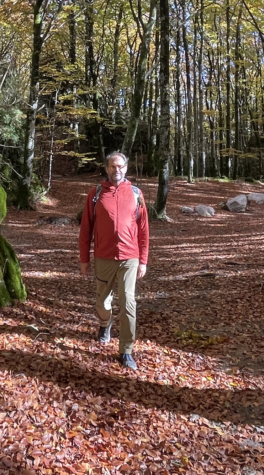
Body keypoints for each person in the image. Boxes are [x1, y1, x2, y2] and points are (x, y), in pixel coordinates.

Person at [78, 151, 149, 370]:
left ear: (126, 168)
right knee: (102, 301)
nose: (116, 170)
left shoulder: (136, 193)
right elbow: (86, 228)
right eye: (112, 166)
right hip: (103, 256)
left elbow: (144, 230)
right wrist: (84, 259)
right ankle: (104, 323)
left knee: (128, 302)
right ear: (106, 168)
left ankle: (126, 350)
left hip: (130, 257)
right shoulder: (96, 193)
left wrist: (143, 260)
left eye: (120, 167)